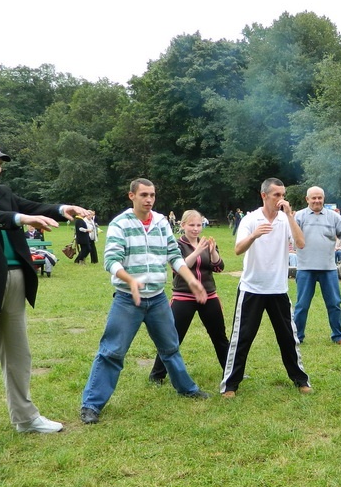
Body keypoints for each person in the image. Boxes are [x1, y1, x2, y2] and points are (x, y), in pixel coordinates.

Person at [0, 139, 93, 462]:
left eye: (0, 162)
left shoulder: (3, 193)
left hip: (14, 280)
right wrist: (20, 220)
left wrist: (63, 210)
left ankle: (25, 418)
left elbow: (32, 206)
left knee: (19, 356)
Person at [79, 179, 210, 425]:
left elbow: (173, 254)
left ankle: (187, 389)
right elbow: (111, 261)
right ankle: (91, 405)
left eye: (152, 195)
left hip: (157, 298)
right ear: (132, 196)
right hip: (128, 300)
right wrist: (130, 280)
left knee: (170, 348)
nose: (149, 199)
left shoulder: (161, 223)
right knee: (112, 352)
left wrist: (191, 280)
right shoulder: (121, 224)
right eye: (144, 195)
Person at [219, 178, 311, 398]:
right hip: (252, 288)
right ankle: (230, 385)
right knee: (242, 338)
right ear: (264, 196)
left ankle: (300, 380)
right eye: (276, 195)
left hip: (278, 289)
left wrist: (290, 215)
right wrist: (254, 235)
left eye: (283, 195)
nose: (281, 199)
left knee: (288, 338)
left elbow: (300, 243)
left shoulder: (285, 219)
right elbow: (238, 249)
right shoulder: (251, 219)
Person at [149, 209, 230, 385]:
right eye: (191, 225)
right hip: (183, 297)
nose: (195, 229)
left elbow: (219, 267)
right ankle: (157, 375)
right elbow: (179, 267)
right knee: (173, 337)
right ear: (183, 225)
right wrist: (197, 251)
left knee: (220, 337)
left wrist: (212, 251)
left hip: (209, 296)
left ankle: (231, 371)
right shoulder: (177, 245)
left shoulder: (206, 243)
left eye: (199, 225)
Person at [293, 186, 341, 345]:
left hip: (328, 268)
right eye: (313, 198)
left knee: (334, 303)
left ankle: (339, 336)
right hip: (305, 268)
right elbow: (292, 237)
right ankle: (297, 337)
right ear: (307, 199)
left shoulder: (334, 217)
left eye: (320, 198)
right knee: (302, 305)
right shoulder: (299, 217)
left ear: (324, 198)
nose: (317, 200)